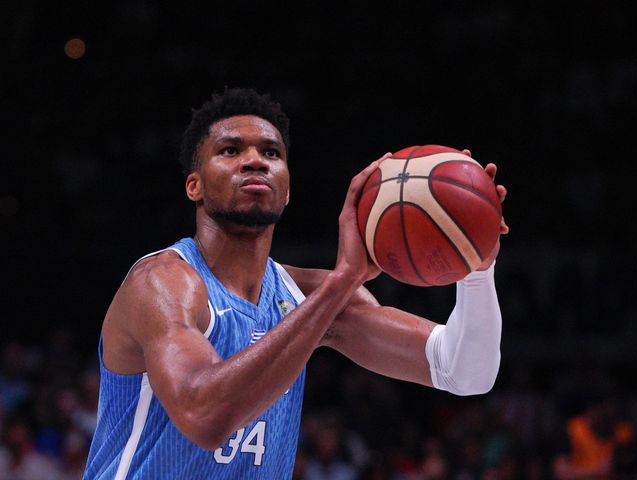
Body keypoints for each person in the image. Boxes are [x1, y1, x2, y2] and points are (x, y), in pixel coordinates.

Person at [83, 87, 509, 479]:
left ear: (286, 190)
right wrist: (345, 279)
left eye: (271, 152)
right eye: (230, 150)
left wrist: (475, 263)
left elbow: (464, 372)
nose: (255, 160)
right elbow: (204, 415)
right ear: (193, 186)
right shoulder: (161, 284)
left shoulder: (308, 297)